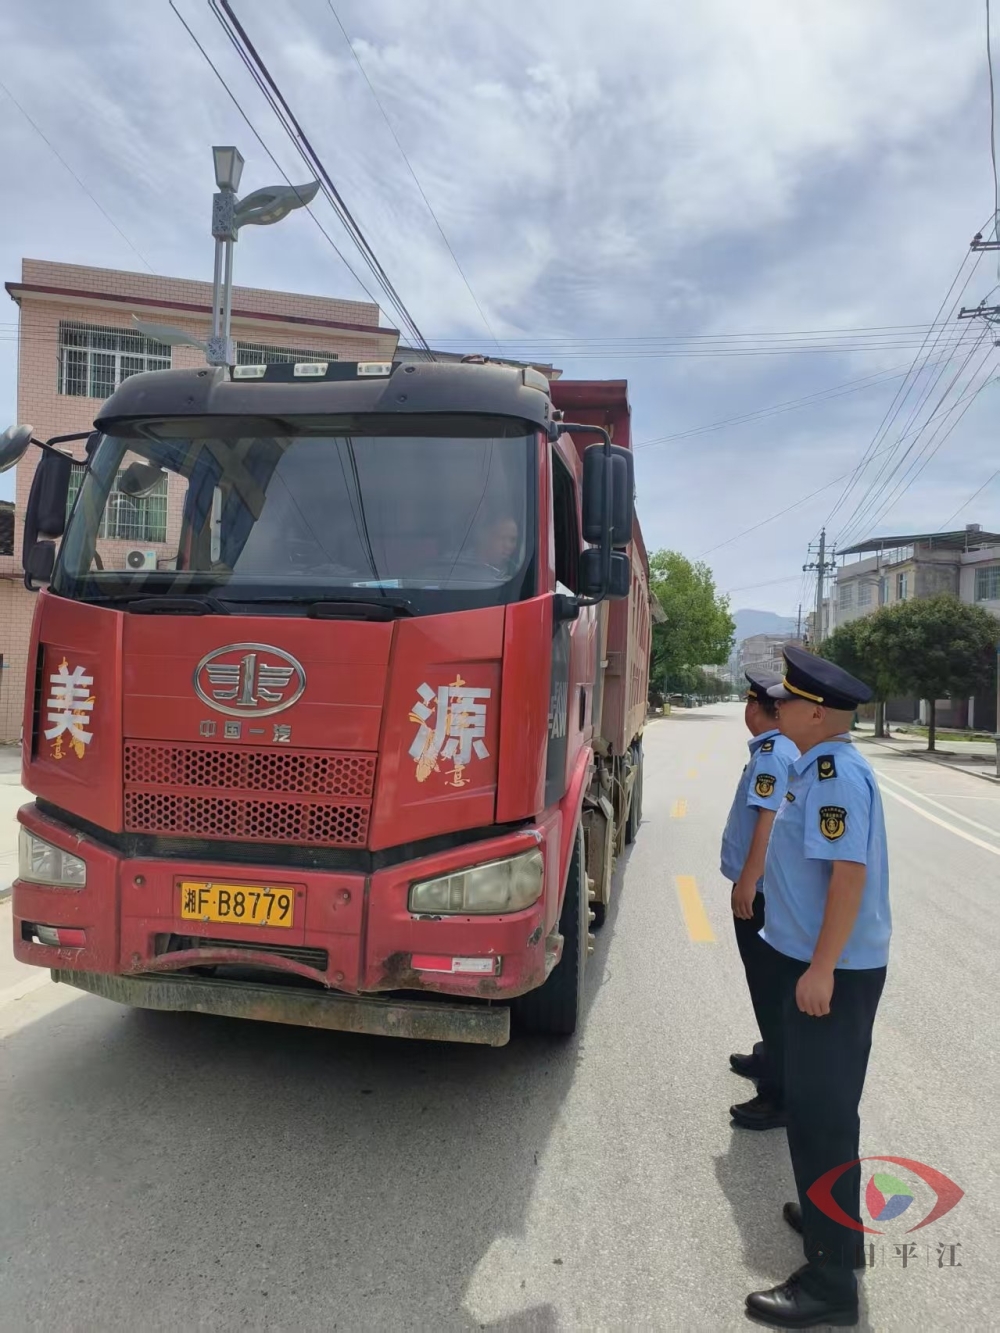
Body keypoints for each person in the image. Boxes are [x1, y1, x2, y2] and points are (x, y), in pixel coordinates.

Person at [743, 644, 889, 1330]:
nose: (781, 707)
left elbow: (848, 876)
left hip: (833, 971)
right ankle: (832, 1223)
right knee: (819, 1110)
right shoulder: (815, 765)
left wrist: (822, 967)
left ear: (818, 713)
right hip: (816, 961)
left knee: (822, 1118)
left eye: (791, 700)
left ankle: (830, 1283)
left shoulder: (833, 773)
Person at [720, 671, 799, 1131]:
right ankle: (771, 1055)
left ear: (757, 709)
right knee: (768, 984)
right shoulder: (779, 749)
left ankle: (779, 1094)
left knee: (769, 988)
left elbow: (766, 823)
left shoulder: (772, 755)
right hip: (769, 889)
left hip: (762, 892)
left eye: (750, 703)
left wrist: (747, 882)